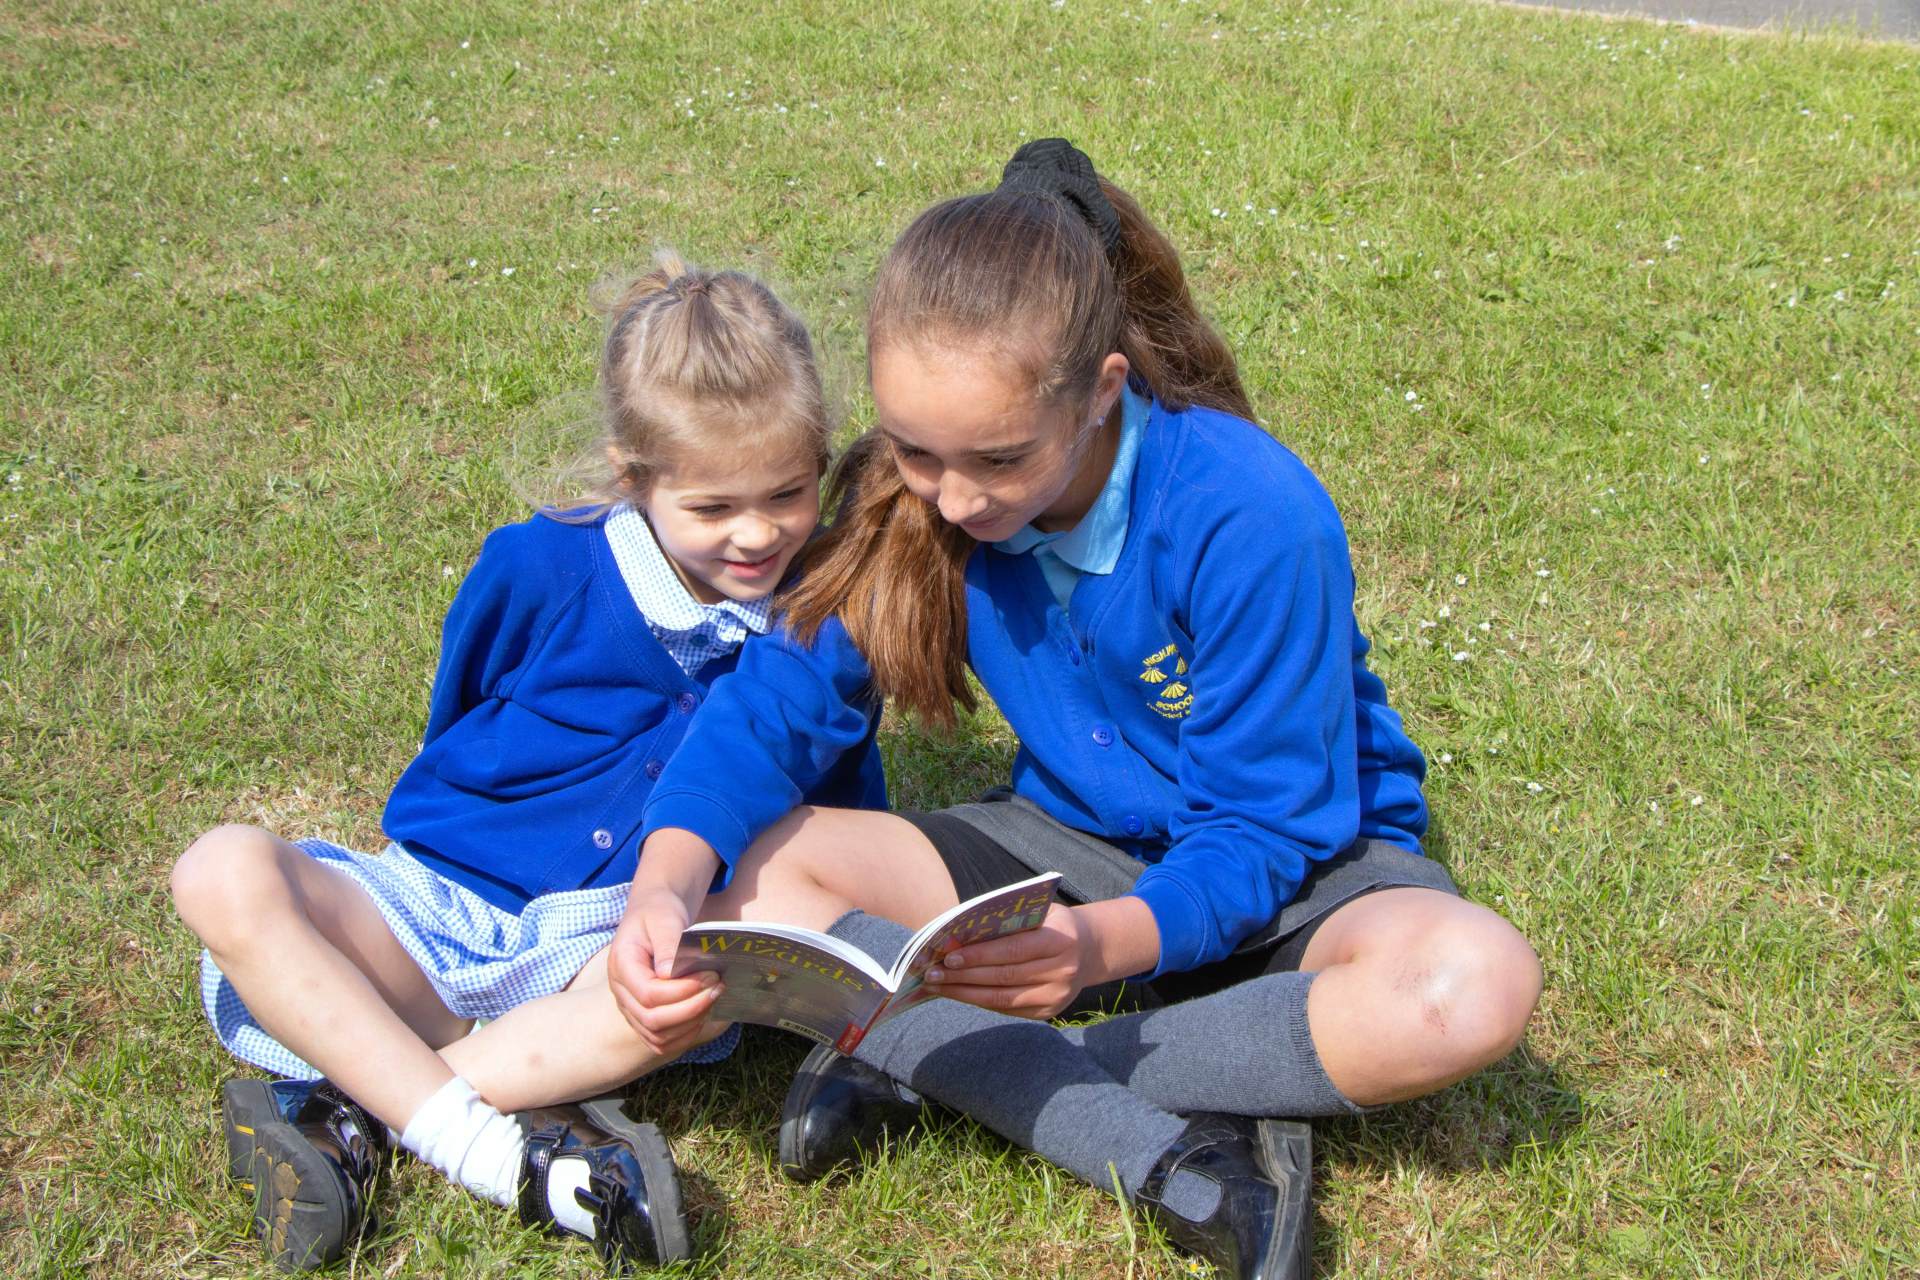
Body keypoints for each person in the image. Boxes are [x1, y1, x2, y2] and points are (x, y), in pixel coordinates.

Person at [610, 140, 1544, 1280]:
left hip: (1302, 876)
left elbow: (1266, 827)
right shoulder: (918, 494)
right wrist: (664, 879)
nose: (951, 496)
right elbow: (778, 701)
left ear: (1102, 389)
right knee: (757, 869)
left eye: (997, 459)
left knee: (1472, 982)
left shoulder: (1250, 512)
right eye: (914, 450)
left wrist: (1099, 949)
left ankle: (969, 1062)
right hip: (1066, 846)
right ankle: (1158, 1093)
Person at [169, 253, 885, 1273]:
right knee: (219, 868)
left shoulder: (819, 617)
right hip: (435, 914)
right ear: (631, 475)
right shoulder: (542, 562)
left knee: (695, 979)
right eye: (714, 506)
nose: (758, 530)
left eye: (788, 490)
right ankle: (502, 1136)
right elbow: (462, 704)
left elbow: (831, 800)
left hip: (607, 956)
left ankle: (352, 1108)